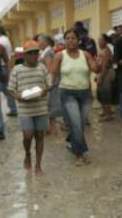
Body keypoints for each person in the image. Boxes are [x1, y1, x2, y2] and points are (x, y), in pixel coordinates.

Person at [51, 29, 99, 166]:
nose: (70, 41)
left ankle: (72, 140)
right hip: (67, 93)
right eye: (67, 38)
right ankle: (79, 154)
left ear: (78, 40)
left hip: (85, 94)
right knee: (76, 122)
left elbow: (95, 69)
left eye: (73, 38)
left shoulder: (86, 55)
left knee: (80, 124)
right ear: (64, 41)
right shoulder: (59, 56)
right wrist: (46, 89)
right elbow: (52, 74)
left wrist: (99, 64)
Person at [8, 40, 51, 175]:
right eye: (30, 53)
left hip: (40, 107)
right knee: (28, 135)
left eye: (36, 53)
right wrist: (18, 97)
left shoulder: (42, 67)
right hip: (25, 108)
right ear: (24, 55)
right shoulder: (17, 70)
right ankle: (27, 153)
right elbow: (11, 89)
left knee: (40, 135)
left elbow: (48, 84)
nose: (34, 56)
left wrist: (44, 91)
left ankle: (38, 165)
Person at [0, 26, 18, 117]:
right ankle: (13, 109)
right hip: (5, 66)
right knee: (7, 89)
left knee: (1, 89)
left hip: (1, 67)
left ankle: (12, 109)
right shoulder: (5, 39)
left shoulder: (0, 41)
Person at [38, 35, 61, 135]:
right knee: (50, 104)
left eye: (39, 41)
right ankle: (50, 128)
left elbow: (49, 69)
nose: (38, 43)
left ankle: (52, 128)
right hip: (50, 82)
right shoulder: (46, 52)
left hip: (50, 82)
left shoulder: (48, 53)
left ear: (46, 42)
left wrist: (48, 83)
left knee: (51, 104)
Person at [96, 34, 115, 122]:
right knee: (101, 94)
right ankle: (105, 112)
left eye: (100, 40)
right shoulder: (102, 50)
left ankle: (108, 115)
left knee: (105, 95)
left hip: (106, 74)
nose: (99, 42)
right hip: (102, 73)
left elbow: (105, 66)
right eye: (98, 40)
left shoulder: (106, 51)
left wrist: (101, 77)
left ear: (105, 41)